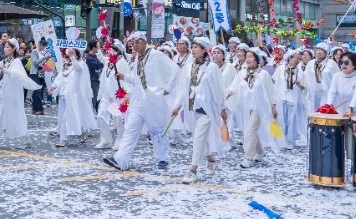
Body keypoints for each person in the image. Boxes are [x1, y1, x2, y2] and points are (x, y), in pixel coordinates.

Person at [103, 32, 179, 172]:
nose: (134, 45)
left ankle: (162, 158)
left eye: (137, 42)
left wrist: (167, 89)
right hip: (139, 101)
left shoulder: (156, 55)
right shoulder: (139, 57)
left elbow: (175, 70)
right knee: (131, 129)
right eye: (132, 43)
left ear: (145, 42)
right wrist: (124, 76)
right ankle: (120, 159)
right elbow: (137, 79)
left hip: (154, 100)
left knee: (156, 131)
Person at [171, 37, 228, 184]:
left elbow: (219, 89)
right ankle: (211, 159)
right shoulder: (188, 67)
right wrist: (177, 106)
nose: (193, 49)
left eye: (197, 47)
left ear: (204, 50)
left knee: (198, 138)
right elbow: (182, 88)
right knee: (202, 137)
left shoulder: (212, 67)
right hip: (191, 109)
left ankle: (193, 170)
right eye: (193, 46)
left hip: (206, 109)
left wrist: (222, 108)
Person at [0, 38, 37, 150]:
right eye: (5, 47)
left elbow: (18, 75)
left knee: (17, 116)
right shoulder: (6, 60)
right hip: (1, 93)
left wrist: (4, 69)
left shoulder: (16, 61)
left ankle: (25, 138)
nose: (5, 49)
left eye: (8, 47)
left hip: (11, 95)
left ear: (13, 49)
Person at [237, 48, 282, 168]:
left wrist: (273, 106)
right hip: (247, 107)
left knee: (250, 131)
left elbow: (271, 91)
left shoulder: (263, 74)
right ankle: (261, 152)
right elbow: (235, 85)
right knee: (251, 131)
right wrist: (229, 93)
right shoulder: (242, 72)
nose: (248, 59)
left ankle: (248, 157)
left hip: (259, 107)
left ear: (257, 60)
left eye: (251, 57)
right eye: (247, 57)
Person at [49, 47, 95, 147]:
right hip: (63, 95)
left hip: (74, 96)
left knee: (68, 117)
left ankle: (63, 140)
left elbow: (78, 68)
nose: (69, 55)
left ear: (77, 54)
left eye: (72, 53)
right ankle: (82, 133)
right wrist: (53, 86)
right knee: (66, 117)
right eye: (68, 53)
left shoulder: (80, 64)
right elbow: (59, 77)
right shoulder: (66, 65)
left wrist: (73, 57)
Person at [95, 40, 131, 151]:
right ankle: (106, 140)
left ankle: (120, 140)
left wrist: (125, 95)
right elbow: (101, 58)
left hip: (118, 95)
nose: (109, 51)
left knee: (119, 120)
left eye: (112, 49)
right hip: (106, 94)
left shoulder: (122, 63)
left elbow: (127, 79)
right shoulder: (109, 62)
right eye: (109, 49)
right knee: (101, 116)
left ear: (118, 51)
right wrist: (98, 49)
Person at [274, 50, 305, 147]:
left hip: (292, 98)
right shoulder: (280, 69)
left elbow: (305, 86)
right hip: (281, 97)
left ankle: (290, 140)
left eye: (298, 59)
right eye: (295, 58)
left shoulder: (300, 71)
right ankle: (278, 138)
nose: (297, 60)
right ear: (290, 58)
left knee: (291, 120)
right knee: (279, 118)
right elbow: (274, 80)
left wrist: (300, 85)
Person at [29, 39, 49, 115]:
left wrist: (45, 63)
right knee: (37, 90)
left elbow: (43, 63)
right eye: (42, 45)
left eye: (44, 46)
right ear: (39, 44)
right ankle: (39, 109)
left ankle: (35, 109)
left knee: (37, 91)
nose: (42, 47)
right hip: (34, 73)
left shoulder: (43, 53)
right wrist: (44, 58)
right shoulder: (34, 52)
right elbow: (35, 62)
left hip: (41, 73)